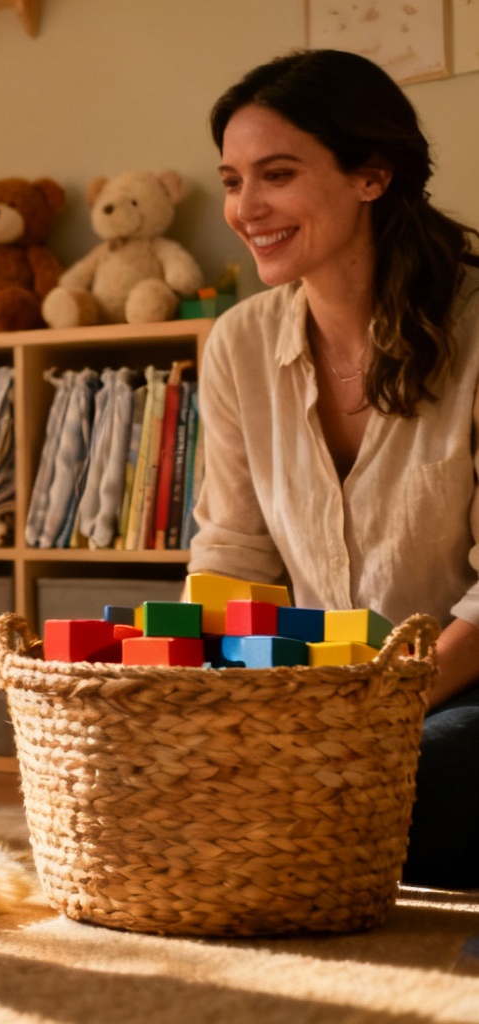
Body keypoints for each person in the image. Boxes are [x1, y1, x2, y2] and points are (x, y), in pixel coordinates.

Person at [192, 49, 479, 888]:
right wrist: (216, 708)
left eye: (277, 175)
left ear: (372, 176)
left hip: (457, 688)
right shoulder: (239, 344)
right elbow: (235, 553)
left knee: (402, 790)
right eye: (233, 181)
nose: (246, 209)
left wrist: (363, 716)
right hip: (325, 697)